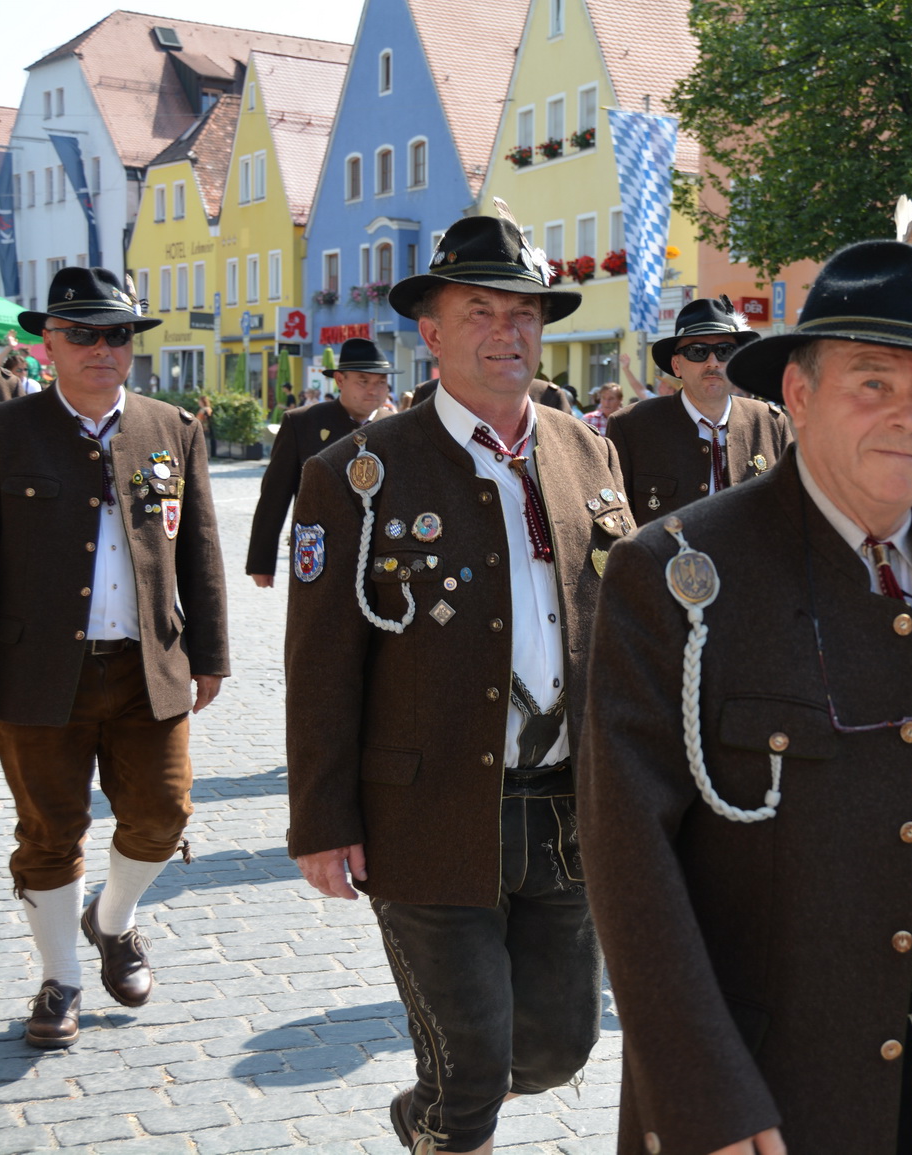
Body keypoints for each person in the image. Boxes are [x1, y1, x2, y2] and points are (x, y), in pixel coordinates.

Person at [578, 237, 912, 1155]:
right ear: (800, 394)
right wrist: (704, 1094)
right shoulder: (678, 572)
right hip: (787, 1071)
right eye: (873, 382)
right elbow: (629, 861)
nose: (908, 415)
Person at [285, 214, 625, 1154]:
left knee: (556, 1050)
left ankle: (426, 1114)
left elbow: (623, 628)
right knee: (472, 1066)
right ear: (430, 332)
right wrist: (321, 818)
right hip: (426, 811)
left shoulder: (588, 451)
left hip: (565, 810)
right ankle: (451, 1120)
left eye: (525, 313)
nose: (508, 331)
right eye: (481, 311)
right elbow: (320, 663)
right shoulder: (355, 474)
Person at [0, 267, 228, 1048]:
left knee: (164, 812)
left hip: (146, 664)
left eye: (117, 334)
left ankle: (113, 917)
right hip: (36, 670)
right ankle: (60, 978)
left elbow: (198, 548)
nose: (102, 348)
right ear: (48, 342)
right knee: (49, 828)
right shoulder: (10, 430)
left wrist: (211, 653)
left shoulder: (170, 426)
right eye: (83, 334)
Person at [607, 297, 790, 523]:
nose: (713, 362)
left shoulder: (770, 422)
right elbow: (616, 521)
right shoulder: (631, 426)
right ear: (676, 365)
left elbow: (792, 510)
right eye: (697, 351)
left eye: (725, 350)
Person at [245, 338, 398, 587]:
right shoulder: (303, 423)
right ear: (339, 380)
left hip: (383, 560)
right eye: (363, 381)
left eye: (381, 382)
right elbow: (274, 496)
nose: (373, 390)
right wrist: (261, 561)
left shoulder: (397, 426)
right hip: (321, 557)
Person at [405, 374, 571, 414]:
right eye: (480, 314)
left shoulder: (548, 395)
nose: (505, 333)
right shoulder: (430, 392)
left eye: (523, 314)